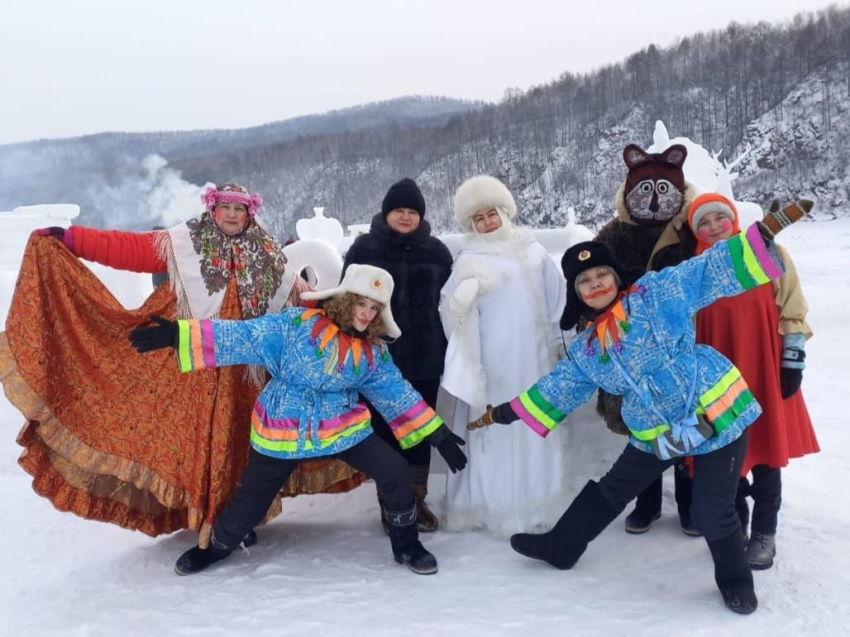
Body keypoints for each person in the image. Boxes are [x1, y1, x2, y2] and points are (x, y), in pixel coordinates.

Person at [468, 200, 813, 614]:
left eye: (601, 275)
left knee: (711, 510)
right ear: (577, 293)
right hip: (655, 430)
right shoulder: (589, 349)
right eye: (585, 281)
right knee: (613, 488)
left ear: (615, 277)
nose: (595, 284)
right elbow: (555, 389)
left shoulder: (657, 292)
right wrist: (501, 413)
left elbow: (708, 269)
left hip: (714, 412)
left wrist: (765, 232)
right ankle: (561, 547)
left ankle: (736, 580)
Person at [0, 183, 364, 548]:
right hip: (194, 365)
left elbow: (297, 295)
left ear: (250, 213)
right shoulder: (185, 242)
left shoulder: (265, 251)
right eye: (225, 208)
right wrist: (72, 238)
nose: (233, 215)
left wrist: (347, 316)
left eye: (240, 209)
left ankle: (237, 517)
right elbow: (130, 250)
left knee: (240, 440)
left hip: (244, 371)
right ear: (212, 209)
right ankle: (202, 514)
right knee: (194, 439)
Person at [128, 264, 468, 576]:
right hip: (282, 426)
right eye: (360, 304)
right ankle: (217, 547)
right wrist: (177, 335)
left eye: (374, 308)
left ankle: (407, 545)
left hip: (341, 427)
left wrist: (437, 433)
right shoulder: (296, 325)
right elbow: (244, 336)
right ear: (345, 300)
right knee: (250, 500)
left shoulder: (373, 353)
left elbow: (396, 392)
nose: (365, 314)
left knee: (393, 469)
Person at [684, 193, 819, 569]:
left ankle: (765, 532)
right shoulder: (695, 268)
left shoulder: (768, 251)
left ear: (734, 220)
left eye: (719, 219)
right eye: (704, 224)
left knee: (765, 450)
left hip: (762, 366)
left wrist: (792, 358)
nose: (714, 228)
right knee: (727, 454)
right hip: (717, 378)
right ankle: (736, 525)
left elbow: (793, 305)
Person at [439, 175, 568, 536]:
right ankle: (492, 506)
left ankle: (540, 503)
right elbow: (451, 315)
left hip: (534, 358)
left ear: (504, 211)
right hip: (492, 365)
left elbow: (557, 301)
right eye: (477, 218)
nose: (486, 222)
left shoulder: (535, 251)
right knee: (495, 429)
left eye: (490, 213)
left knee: (533, 422)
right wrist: (458, 306)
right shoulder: (467, 260)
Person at [594, 143, 698, 535]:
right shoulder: (613, 235)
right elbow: (591, 280)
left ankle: (687, 502)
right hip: (633, 346)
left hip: (680, 341)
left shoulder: (690, 234)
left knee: (685, 418)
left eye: (664, 193)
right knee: (642, 424)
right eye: (644, 193)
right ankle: (647, 500)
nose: (654, 204)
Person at [343, 178, 453, 532]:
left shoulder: (437, 251)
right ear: (386, 213)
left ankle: (416, 498)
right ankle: (391, 501)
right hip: (377, 360)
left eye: (412, 212)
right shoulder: (364, 249)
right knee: (385, 430)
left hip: (426, 357)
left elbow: (451, 306)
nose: (405, 217)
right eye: (399, 211)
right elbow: (345, 302)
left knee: (420, 428)